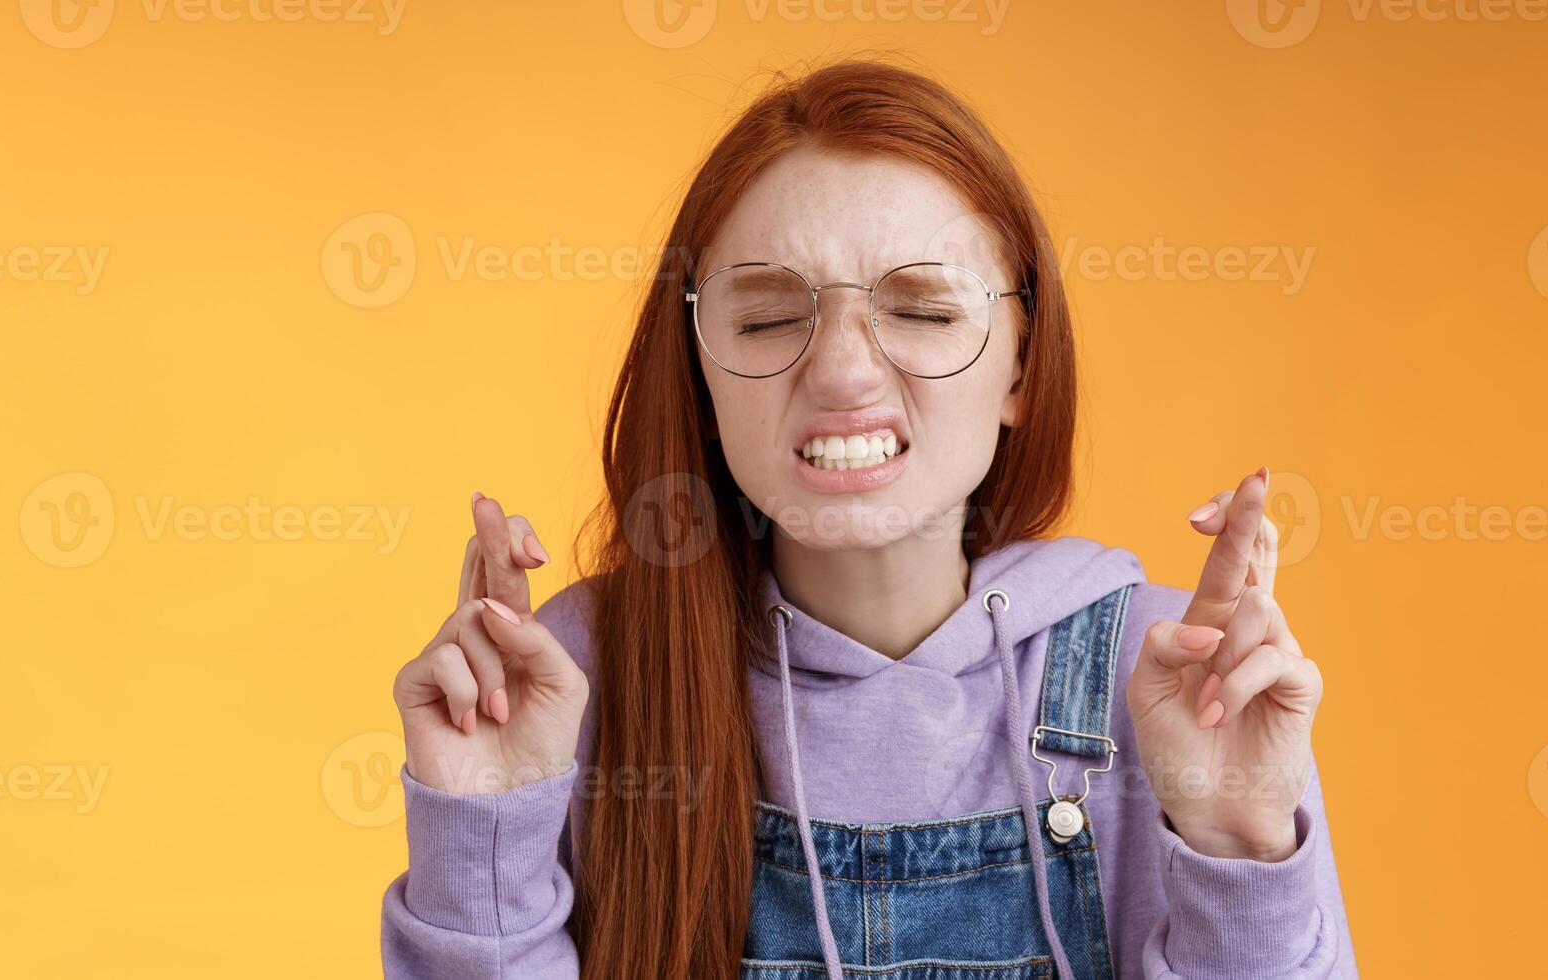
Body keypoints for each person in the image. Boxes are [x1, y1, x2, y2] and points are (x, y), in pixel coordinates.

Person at [382, 60, 1355, 979]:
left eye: (922, 311)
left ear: (1020, 361)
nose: (843, 371)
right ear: (699, 369)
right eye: (766, 318)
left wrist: (1239, 853)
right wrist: (482, 839)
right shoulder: (574, 677)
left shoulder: (1178, 672)